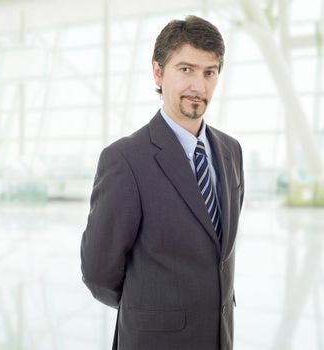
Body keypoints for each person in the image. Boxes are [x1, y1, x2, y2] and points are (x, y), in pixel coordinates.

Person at [80, 15, 244, 350]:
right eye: (185, 69)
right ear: (158, 73)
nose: (198, 86)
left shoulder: (231, 152)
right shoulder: (125, 160)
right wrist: (151, 307)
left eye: (209, 72)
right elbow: (99, 273)